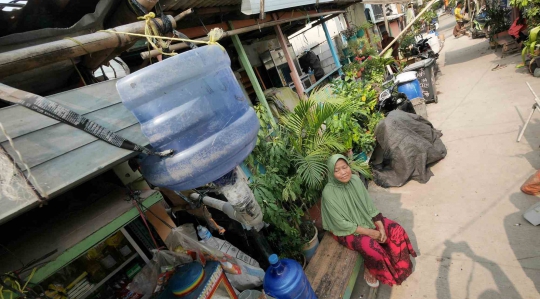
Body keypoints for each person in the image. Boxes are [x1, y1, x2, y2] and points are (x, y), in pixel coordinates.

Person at [321, 154, 417, 287]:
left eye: (344, 167)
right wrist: (371, 232)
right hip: (346, 230)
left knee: (396, 230)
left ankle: (400, 267)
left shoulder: (355, 180)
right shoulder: (329, 192)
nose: (343, 172)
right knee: (373, 248)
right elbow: (340, 223)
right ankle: (371, 269)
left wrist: (380, 227)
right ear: (331, 173)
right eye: (337, 170)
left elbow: (369, 207)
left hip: (365, 219)